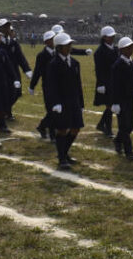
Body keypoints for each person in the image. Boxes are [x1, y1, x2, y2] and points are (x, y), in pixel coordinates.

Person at [44, 33, 85, 169]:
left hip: (73, 101)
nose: (69, 47)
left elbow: (78, 84)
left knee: (75, 128)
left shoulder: (75, 63)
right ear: (59, 48)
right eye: (66, 45)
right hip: (61, 103)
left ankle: (64, 152)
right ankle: (62, 158)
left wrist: (81, 103)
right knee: (62, 130)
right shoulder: (53, 64)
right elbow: (51, 85)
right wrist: (55, 103)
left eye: (70, 45)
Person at [29, 30, 58, 141]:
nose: (53, 41)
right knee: (51, 111)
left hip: (58, 85)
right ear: (46, 42)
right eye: (51, 39)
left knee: (55, 110)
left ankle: (42, 126)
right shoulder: (41, 55)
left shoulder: (58, 52)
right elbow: (37, 71)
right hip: (48, 86)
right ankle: (52, 135)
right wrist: (32, 85)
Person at [93, 26, 120, 138]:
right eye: (110, 36)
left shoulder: (116, 49)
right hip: (106, 82)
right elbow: (99, 69)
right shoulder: (100, 51)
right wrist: (101, 84)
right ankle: (107, 129)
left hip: (115, 81)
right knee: (110, 105)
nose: (112, 38)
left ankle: (101, 125)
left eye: (113, 36)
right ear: (104, 37)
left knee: (111, 105)